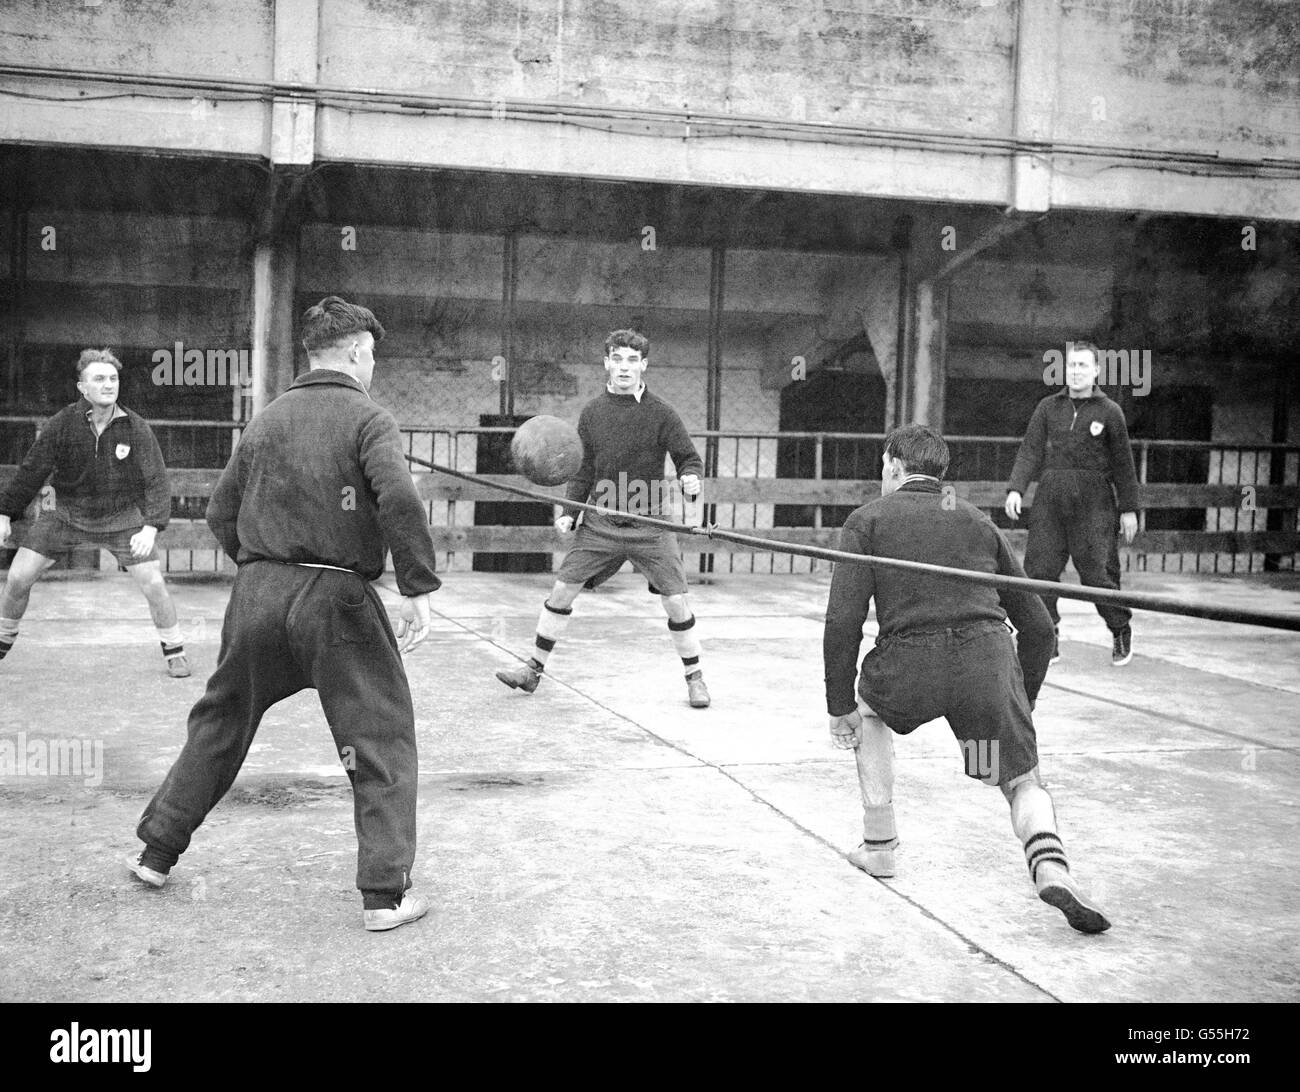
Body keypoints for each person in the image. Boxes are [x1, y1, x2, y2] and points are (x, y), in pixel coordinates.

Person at [126, 297, 441, 933]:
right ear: (355, 351)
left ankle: (156, 852)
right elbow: (399, 498)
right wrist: (416, 586)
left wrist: (265, 566)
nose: (373, 364)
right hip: (337, 599)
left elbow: (220, 511)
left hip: (258, 595)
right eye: (372, 353)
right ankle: (384, 896)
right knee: (379, 737)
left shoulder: (266, 419)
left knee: (221, 721)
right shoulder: (370, 417)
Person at [824, 424, 1111, 934]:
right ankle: (1050, 866)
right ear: (940, 473)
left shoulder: (866, 520)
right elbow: (1040, 626)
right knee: (1017, 778)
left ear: (892, 466)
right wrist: (1022, 698)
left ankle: (880, 847)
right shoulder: (977, 521)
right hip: (986, 660)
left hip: (909, 664)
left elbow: (843, 622)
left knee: (868, 715)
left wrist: (838, 703)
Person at [495, 328, 711, 708]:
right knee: (562, 589)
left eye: (632, 360)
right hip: (601, 523)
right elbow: (583, 469)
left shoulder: (662, 413)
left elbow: (688, 459)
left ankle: (695, 677)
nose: (624, 367)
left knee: (676, 601)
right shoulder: (593, 412)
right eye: (617, 359)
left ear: (643, 365)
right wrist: (569, 512)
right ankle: (533, 669)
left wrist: (691, 480)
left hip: (651, 524)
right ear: (606, 363)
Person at [0, 348, 190, 677]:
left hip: (121, 518)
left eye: (113, 379)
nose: (108, 385)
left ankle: (174, 650)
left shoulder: (135, 427)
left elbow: (156, 480)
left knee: (154, 583)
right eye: (99, 379)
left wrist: (151, 527)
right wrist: (4, 513)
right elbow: (32, 471)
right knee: (17, 577)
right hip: (66, 515)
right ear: (82, 388)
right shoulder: (63, 424)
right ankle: (3, 641)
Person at [1005, 341, 1140, 667]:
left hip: (1094, 500)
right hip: (1051, 497)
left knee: (1097, 572)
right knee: (1040, 571)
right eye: (1072, 366)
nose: (1076, 371)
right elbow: (1030, 450)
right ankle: (1047, 636)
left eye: (1083, 366)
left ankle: (1120, 627)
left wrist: (1130, 509)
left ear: (1095, 371)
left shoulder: (1110, 412)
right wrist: (1016, 489)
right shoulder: (1048, 407)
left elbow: (1124, 463)